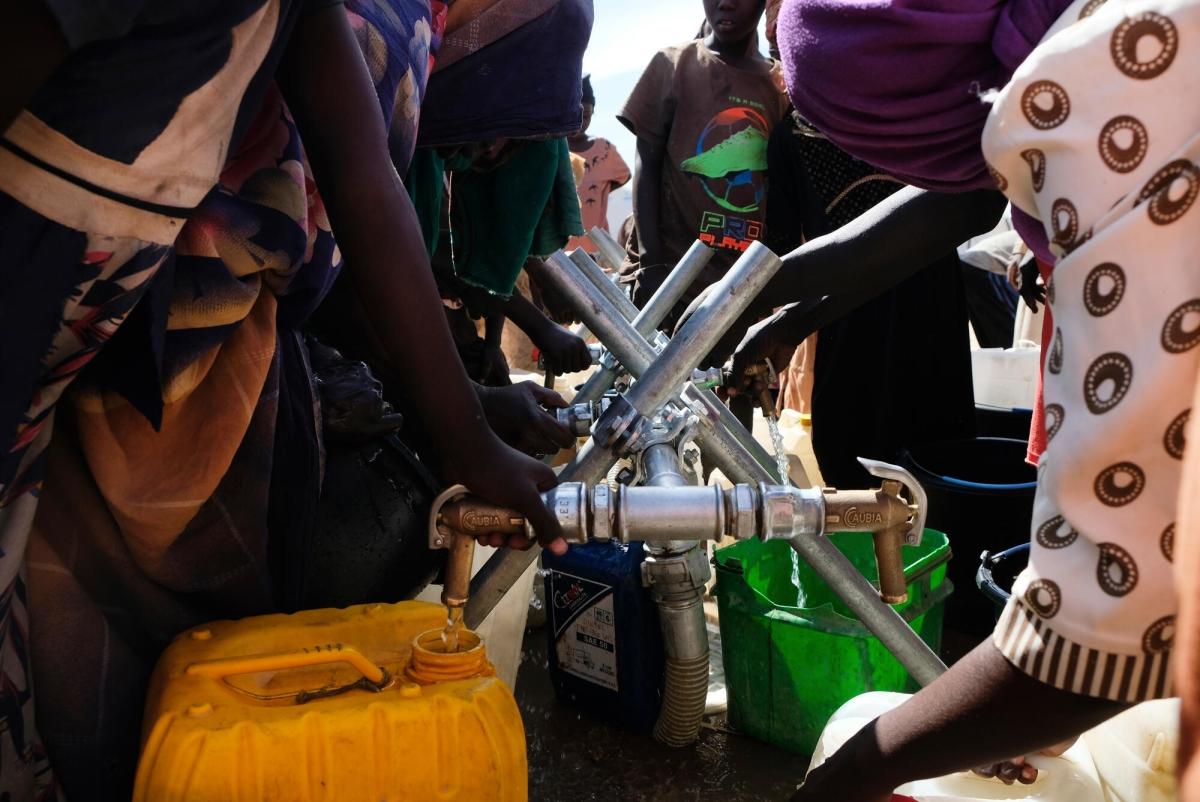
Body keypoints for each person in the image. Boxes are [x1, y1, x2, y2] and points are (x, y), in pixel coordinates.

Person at [2, 2, 566, 796]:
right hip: (86, 267)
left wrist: (468, 429)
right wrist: (465, 430)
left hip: (116, 289)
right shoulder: (382, 34)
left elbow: (358, 183)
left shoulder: (320, 29)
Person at [724, 0, 1200, 797]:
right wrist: (785, 293)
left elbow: (1096, 631)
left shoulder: (1115, 127)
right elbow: (966, 187)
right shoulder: (1114, 41)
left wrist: (851, 773)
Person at [762, 111, 975, 489]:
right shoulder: (793, 134)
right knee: (860, 452)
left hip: (893, 300)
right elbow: (779, 243)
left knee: (930, 453)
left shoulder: (912, 104)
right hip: (854, 305)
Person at [618, 0, 789, 326]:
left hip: (743, 286)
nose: (726, 3)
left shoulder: (779, 86)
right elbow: (647, 166)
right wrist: (651, 266)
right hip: (672, 281)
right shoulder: (673, 65)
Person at [566, 75, 632, 254]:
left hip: (596, 246)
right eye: (574, 114)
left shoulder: (604, 150)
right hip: (560, 248)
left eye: (585, 116)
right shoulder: (556, 149)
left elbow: (625, 176)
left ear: (592, 114)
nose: (579, 122)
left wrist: (598, 190)